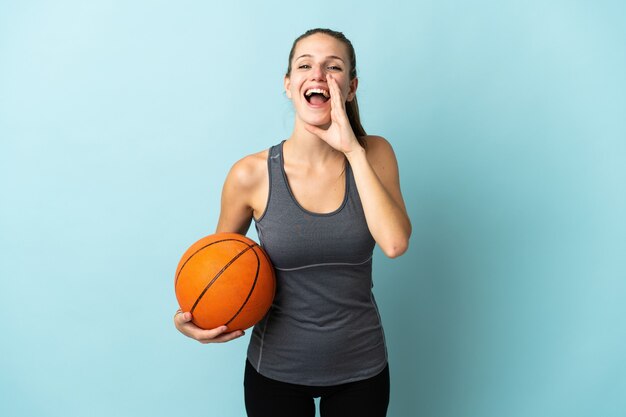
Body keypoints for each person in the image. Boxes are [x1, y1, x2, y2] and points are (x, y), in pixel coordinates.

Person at [174, 28, 411, 417]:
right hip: (275, 373)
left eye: (332, 67)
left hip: (362, 369)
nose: (318, 74)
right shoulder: (250, 175)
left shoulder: (375, 153)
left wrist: (351, 148)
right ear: (289, 85)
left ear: (350, 88)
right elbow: (215, 273)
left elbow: (395, 243)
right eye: (305, 65)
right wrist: (189, 318)